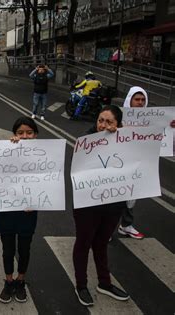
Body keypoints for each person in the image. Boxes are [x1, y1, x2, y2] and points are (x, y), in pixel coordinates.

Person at [73, 105, 130, 307]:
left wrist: (122, 136)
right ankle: (81, 286)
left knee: (101, 243)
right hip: (87, 204)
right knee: (83, 243)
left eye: (108, 122)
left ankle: (104, 283)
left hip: (113, 205)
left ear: (118, 125)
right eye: (100, 120)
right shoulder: (87, 140)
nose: (103, 125)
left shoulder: (125, 141)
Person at [0, 116, 39, 304]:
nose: (25, 136)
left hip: (28, 210)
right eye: (20, 133)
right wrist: (9, 146)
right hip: (7, 209)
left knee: (24, 248)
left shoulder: (43, 153)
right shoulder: (7, 150)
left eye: (29, 132)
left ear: (36, 135)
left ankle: (21, 280)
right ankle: (9, 280)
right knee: (7, 249)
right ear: (14, 135)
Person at [119, 86, 149, 239]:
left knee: (131, 196)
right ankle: (105, 230)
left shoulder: (151, 121)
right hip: (117, 165)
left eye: (143, 100)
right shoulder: (118, 117)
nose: (140, 102)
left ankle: (126, 225)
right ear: (129, 100)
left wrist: (170, 128)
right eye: (137, 99)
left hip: (136, 165)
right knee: (113, 197)